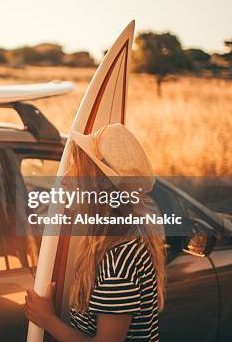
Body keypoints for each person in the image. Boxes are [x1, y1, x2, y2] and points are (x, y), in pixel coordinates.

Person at [25, 123, 166, 342]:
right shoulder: (108, 239)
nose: (65, 178)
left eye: (77, 170)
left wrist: (48, 320)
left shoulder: (117, 260)